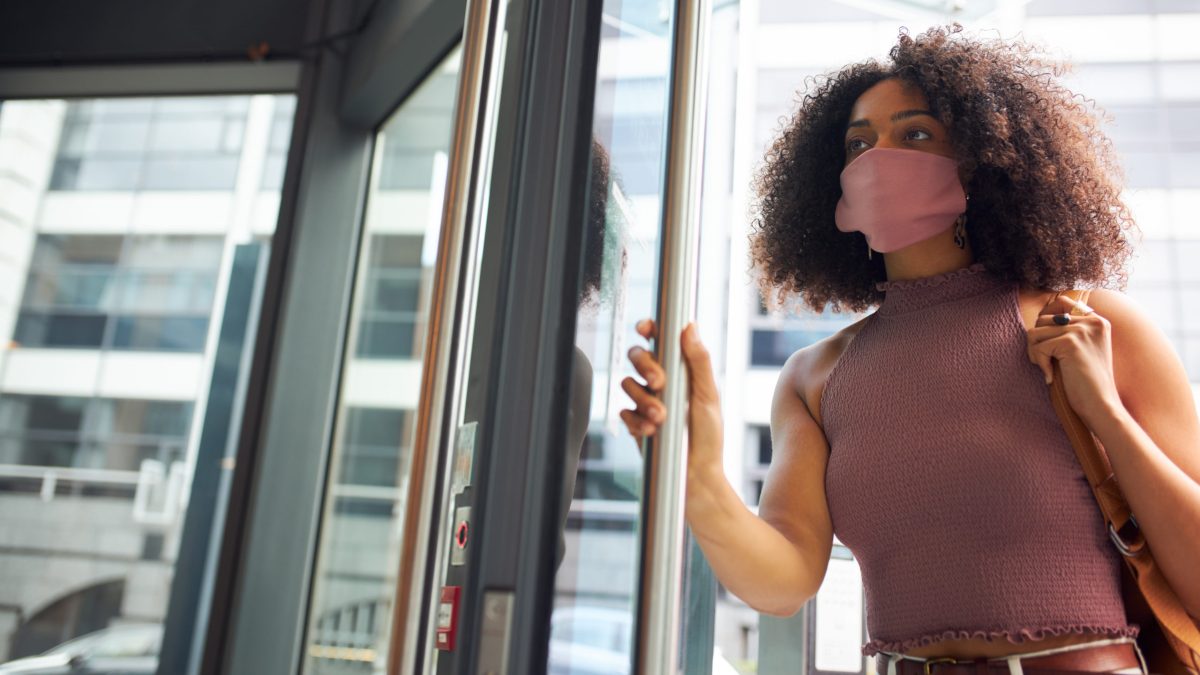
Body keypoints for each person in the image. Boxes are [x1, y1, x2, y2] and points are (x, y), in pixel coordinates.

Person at [620, 25, 1200, 675]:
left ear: (981, 163)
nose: (877, 158)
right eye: (858, 143)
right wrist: (697, 477)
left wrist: (1108, 417)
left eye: (915, 133)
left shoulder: (1091, 327)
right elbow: (782, 583)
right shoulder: (815, 377)